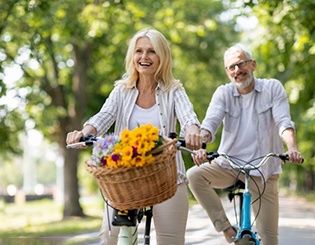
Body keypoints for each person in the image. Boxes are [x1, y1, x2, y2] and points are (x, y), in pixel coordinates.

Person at [66, 28, 202, 245]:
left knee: (171, 240)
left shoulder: (174, 91)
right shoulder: (122, 91)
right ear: (132, 56)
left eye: (152, 51)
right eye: (139, 51)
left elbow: (188, 117)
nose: (144, 57)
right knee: (110, 239)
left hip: (168, 177)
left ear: (162, 57)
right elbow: (104, 116)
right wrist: (84, 133)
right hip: (126, 177)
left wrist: (194, 132)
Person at [187, 44, 303, 245]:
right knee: (194, 175)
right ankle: (225, 229)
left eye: (241, 64)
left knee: (269, 239)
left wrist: (291, 148)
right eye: (231, 67)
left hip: (264, 170)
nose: (237, 71)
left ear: (253, 65)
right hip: (229, 166)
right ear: (227, 72)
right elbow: (209, 125)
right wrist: (201, 145)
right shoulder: (223, 93)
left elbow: (284, 122)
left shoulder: (272, 88)